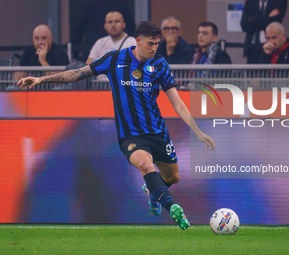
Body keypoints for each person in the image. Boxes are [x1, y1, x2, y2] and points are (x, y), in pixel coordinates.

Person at [17, 21, 215, 230]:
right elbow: (77, 74)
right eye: (150, 43)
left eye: (157, 44)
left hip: (158, 133)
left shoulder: (160, 65)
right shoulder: (114, 59)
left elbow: (178, 104)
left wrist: (198, 132)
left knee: (172, 177)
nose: (154, 48)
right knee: (146, 165)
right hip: (130, 136)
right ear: (138, 41)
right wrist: (41, 80)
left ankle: (152, 191)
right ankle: (173, 207)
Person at [71, 0, 135, 62]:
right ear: (105, 26)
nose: (113, 25)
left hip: (95, 45)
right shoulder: (99, 43)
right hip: (94, 49)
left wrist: (74, 54)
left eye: (117, 21)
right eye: (110, 22)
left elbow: (78, 29)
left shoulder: (132, 42)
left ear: (123, 24)